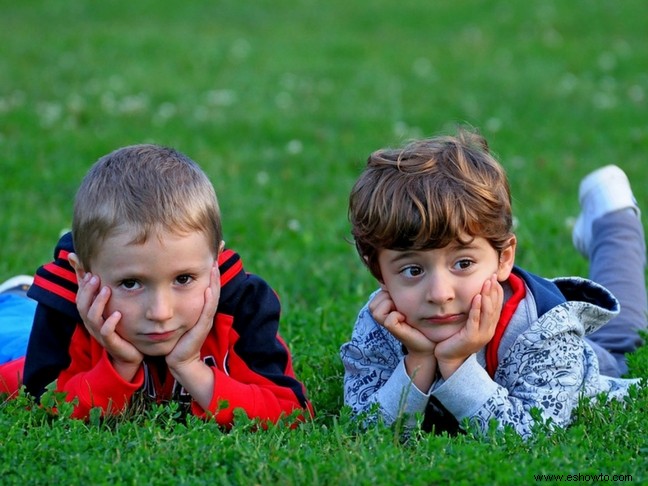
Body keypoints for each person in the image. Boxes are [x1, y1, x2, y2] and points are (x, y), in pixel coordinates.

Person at [339, 129, 646, 438]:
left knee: (623, 337)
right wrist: (418, 361)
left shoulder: (546, 330)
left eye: (463, 263)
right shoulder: (380, 321)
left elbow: (531, 434)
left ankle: (612, 213)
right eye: (413, 270)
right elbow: (366, 431)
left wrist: (455, 362)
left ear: (504, 258)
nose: (440, 294)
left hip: (577, 360)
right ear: (379, 273)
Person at [0, 144, 312, 426]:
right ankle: (16, 298)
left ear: (215, 263)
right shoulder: (65, 306)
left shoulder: (243, 305)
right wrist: (118, 366)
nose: (160, 312)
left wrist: (192, 368)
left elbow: (292, 412)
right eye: (131, 283)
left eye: (183, 279)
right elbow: (42, 408)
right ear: (84, 276)